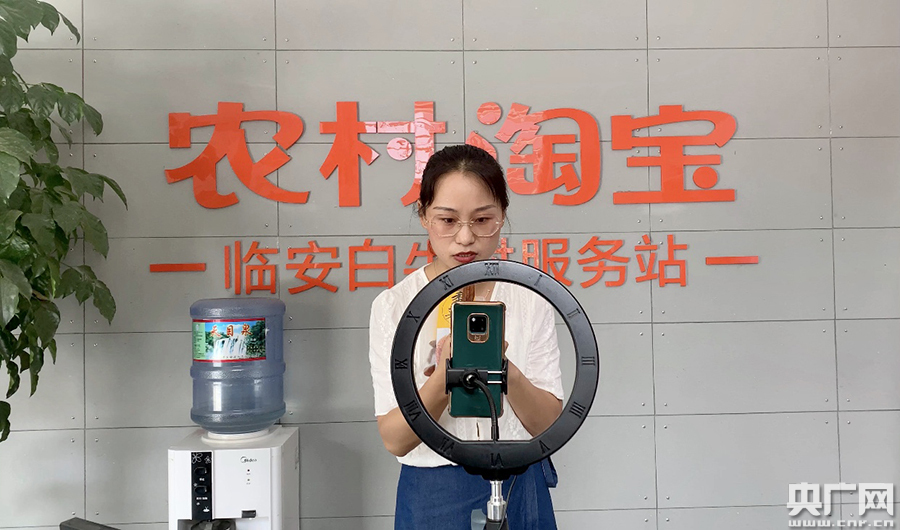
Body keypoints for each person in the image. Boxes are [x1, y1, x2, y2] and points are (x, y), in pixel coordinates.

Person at [368, 144, 564, 529]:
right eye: (447, 220)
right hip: (432, 487)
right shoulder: (394, 306)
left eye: (482, 219)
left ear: (502, 215)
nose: (465, 238)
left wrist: (502, 368)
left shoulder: (529, 300)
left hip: (519, 478)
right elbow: (395, 438)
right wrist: (446, 375)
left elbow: (548, 425)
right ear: (423, 214)